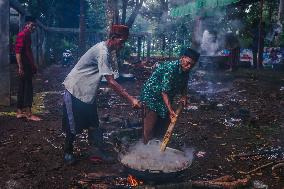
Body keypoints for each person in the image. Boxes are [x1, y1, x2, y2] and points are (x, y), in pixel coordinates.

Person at [62, 24, 141, 164]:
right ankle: (67, 152)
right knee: (72, 126)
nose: (122, 45)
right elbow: (111, 81)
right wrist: (131, 99)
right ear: (113, 37)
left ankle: (96, 152)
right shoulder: (103, 52)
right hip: (75, 89)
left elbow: (109, 76)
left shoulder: (109, 51)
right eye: (121, 42)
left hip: (87, 92)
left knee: (94, 124)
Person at [140, 48, 200, 144]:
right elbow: (164, 92)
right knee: (150, 127)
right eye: (187, 63)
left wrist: (184, 96)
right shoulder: (171, 68)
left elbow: (184, 83)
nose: (189, 67)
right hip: (152, 96)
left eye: (192, 65)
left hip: (165, 98)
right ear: (182, 58)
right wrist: (171, 111)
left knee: (163, 126)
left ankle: (158, 148)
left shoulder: (186, 69)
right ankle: (145, 148)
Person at [15, 16, 41, 121]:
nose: (33, 27)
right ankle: (29, 114)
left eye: (35, 26)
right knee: (28, 88)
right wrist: (20, 67)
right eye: (32, 25)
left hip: (26, 65)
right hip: (25, 65)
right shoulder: (23, 34)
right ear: (27, 24)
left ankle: (19, 112)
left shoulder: (27, 35)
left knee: (22, 87)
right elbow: (18, 52)